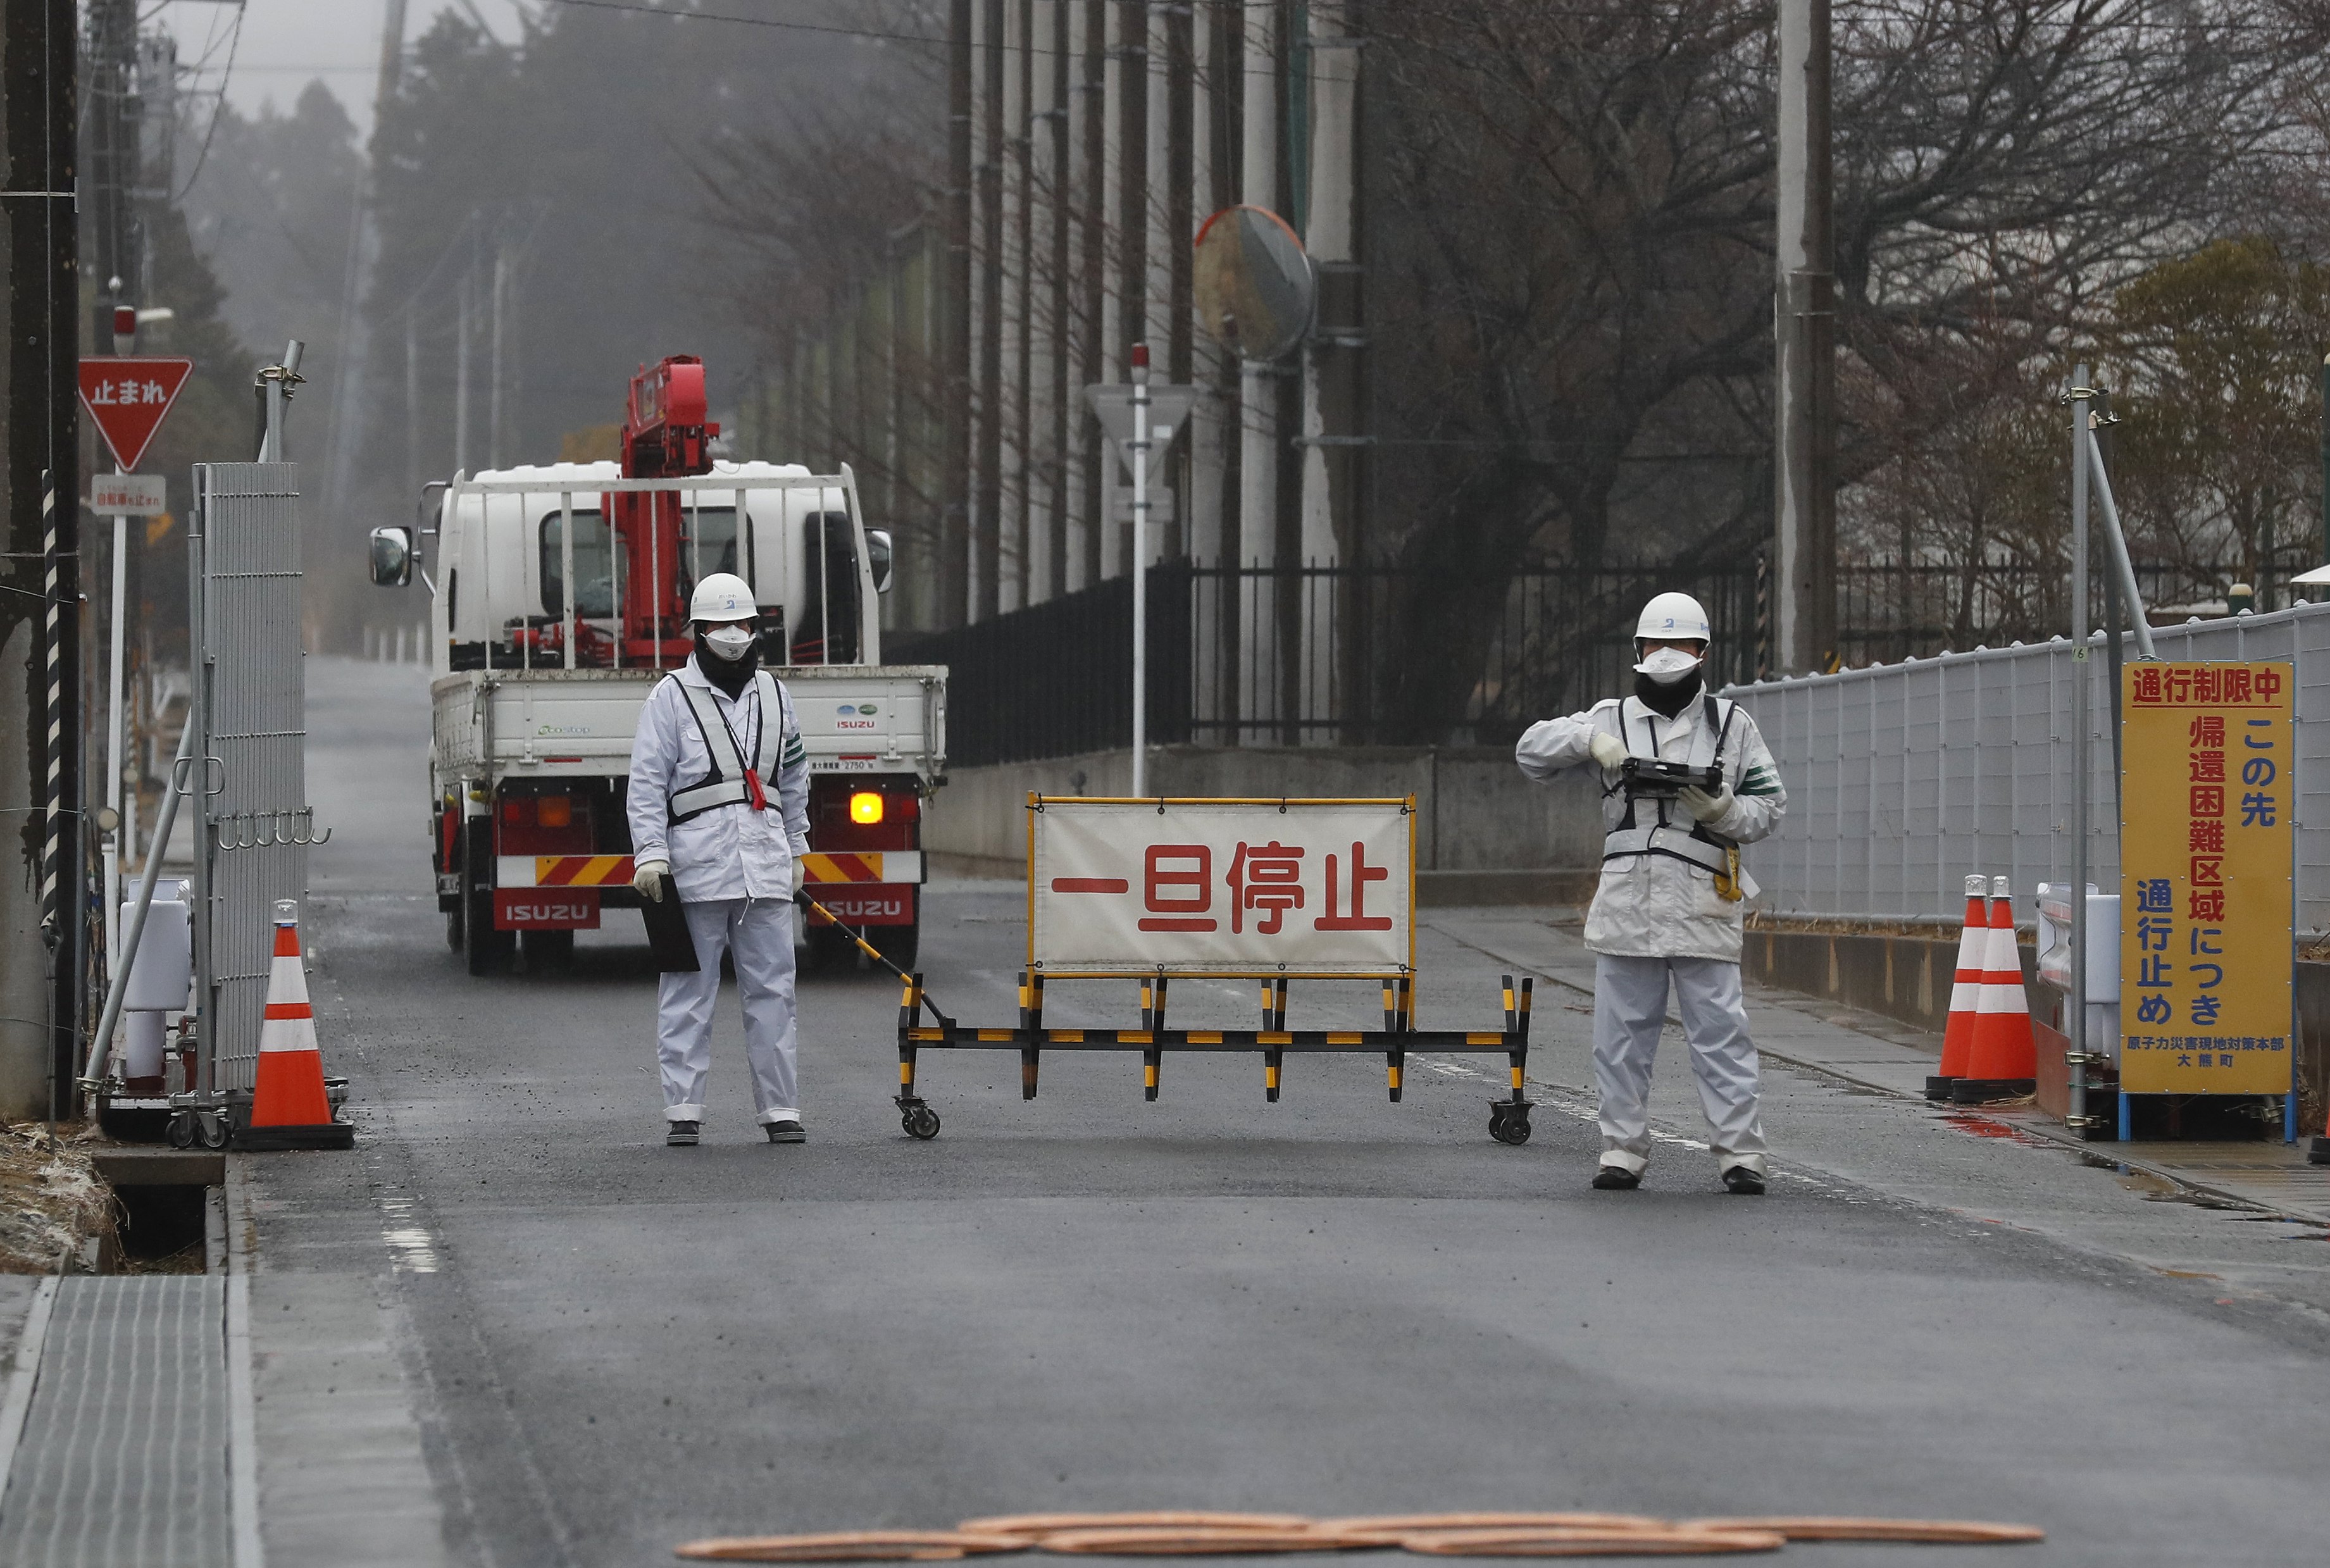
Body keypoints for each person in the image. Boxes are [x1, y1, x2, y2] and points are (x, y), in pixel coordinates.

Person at [1513, 592, 1787, 1195]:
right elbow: (1529, 753)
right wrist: (1586, 741)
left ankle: (1741, 1154)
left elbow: (1769, 808)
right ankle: (1621, 1149)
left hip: (1703, 901)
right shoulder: (1608, 719)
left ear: (1703, 651)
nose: (1668, 655)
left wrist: (1724, 808)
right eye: (1657, 645)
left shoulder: (1732, 725)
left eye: (1681, 645)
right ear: (1637, 651)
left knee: (1721, 1036)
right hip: (1628, 903)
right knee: (1620, 1036)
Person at [627, 572, 812, 1147]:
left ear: (757, 629)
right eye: (720, 627)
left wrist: (798, 847)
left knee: (773, 993)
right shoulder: (670, 698)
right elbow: (647, 783)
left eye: (743, 626)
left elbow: (794, 778)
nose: (733, 637)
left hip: (765, 867)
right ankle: (684, 1111)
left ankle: (781, 1110)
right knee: (687, 992)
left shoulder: (777, 695)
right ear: (698, 633)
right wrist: (651, 855)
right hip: (696, 871)